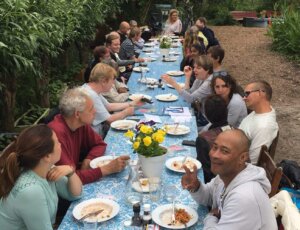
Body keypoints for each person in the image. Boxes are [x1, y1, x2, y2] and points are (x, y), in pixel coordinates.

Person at [182, 129, 277, 229]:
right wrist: (196, 187)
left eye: (224, 151)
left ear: (242, 157)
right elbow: (208, 197)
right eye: (214, 147)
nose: (214, 155)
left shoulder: (244, 197)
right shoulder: (226, 174)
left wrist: (211, 217)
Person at [0, 125, 82, 229]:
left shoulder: (45, 168)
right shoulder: (31, 190)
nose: (60, 144)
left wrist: (70, 172)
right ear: (47, 156)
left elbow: (75, 195)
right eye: (57, 142)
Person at [48, 88, 130, 184]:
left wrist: (88, 159)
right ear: (77, 114)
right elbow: (68, 179)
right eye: (91, 109)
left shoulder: (80, 124)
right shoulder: (55, 134)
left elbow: (100, 144)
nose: (95, 111)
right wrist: (106, 169)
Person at [81, 63, 142, 136]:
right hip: (93, 136)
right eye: (112, 80)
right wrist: (126, 112)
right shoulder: (91, 95)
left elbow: (108, 106)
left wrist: (131, 104)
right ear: (103, 81)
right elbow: (110, 119)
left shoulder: (90, 88)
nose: (113, 83)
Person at [239, 80, 279, 164]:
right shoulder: (259, 112)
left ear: (261, 93)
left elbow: (253, 161)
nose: (244, 98)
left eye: (247, 93)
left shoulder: (264, 126)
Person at [197, 95, 230, 183]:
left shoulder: (203, 139)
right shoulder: (237, 131)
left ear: (206, 115)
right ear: (226, 111)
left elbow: (205, 172)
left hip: (215, 184)